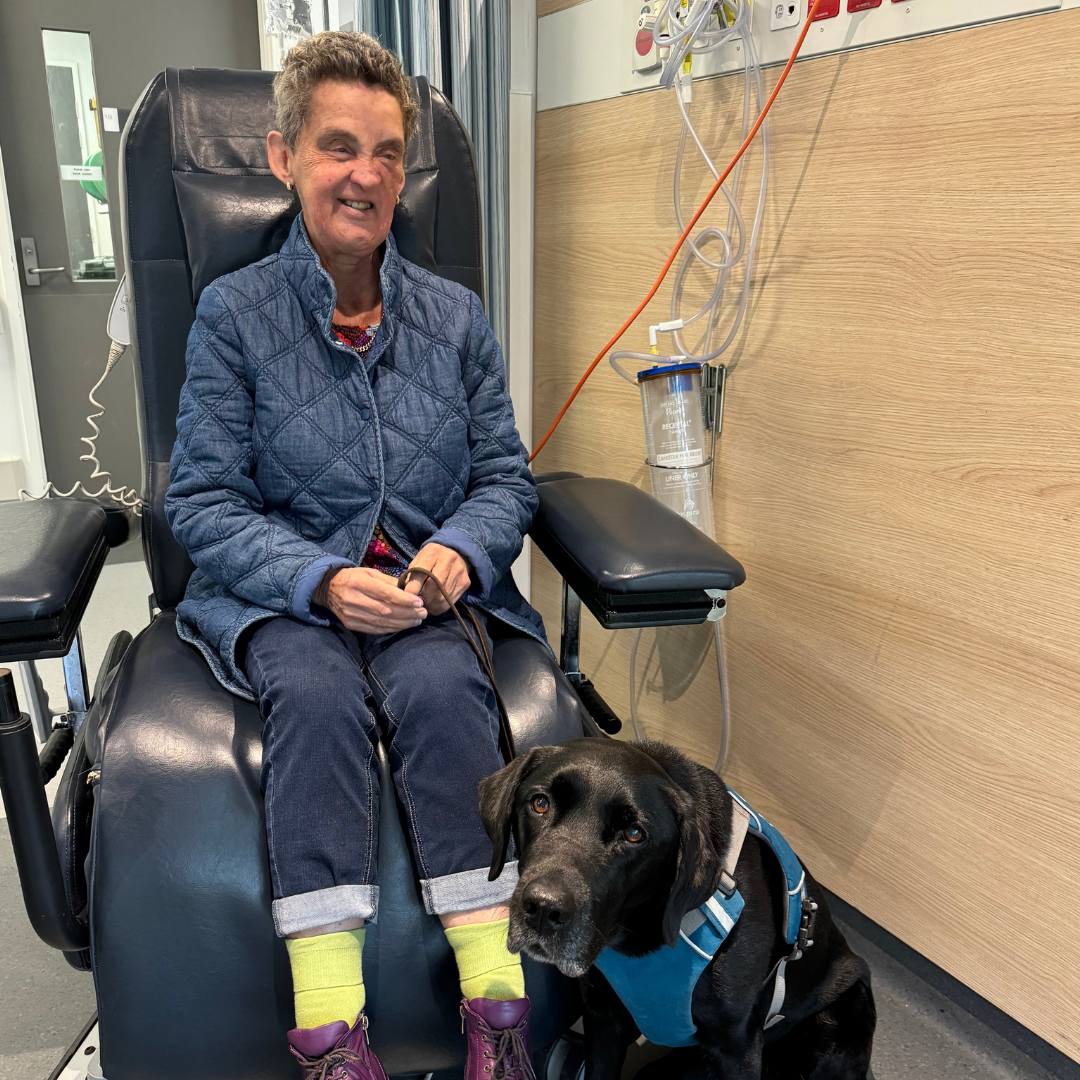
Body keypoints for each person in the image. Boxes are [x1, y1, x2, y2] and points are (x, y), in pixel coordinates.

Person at [165, 30, 544, 1080]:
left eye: (385, 152)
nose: (366, 175)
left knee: (445, 696)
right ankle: (332, 1035)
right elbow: (199, 499)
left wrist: (460, 552)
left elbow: (507, 479)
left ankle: (497, 1017)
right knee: (319, 702)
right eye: (339, 147)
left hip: (426, 606)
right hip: (287, 600)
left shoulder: (455, 319)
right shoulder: (232, 317)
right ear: (285, 158)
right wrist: (320, 580)